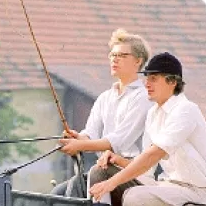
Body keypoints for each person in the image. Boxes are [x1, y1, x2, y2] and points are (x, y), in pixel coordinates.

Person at [88, 51, 206, 206]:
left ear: (173, 82)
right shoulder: (154, 114)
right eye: (146, 78)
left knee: (135, 197)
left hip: (194, 195)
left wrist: (113, 182)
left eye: (154, 78)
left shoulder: (186, 111)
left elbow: (152, 154)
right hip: (167, 188)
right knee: (98, 173)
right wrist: (116, 162)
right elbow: (146, 167)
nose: (146, 83)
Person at [53, 28, 153, 197]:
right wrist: (77, 138)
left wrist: (81, 145)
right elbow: (90, 135)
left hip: (133, 175)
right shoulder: (105, 97)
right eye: (112, 55)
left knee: (96, 176)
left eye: (121, 55)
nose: (115, 59)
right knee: (58, 193)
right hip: (105, 169)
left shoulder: (143, 97)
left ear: (138, 61)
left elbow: (119, 141)